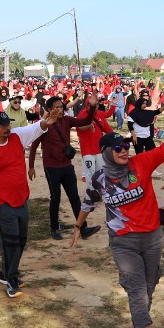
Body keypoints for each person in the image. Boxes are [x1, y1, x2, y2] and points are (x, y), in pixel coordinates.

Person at [70, 97, 164, 328]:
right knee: (136, 291)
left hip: (153, 237)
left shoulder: (141, 163)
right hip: (123, 243)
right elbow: (87, 203)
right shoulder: (99, 179)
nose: (125, 150)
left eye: (126, 145)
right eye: (118, 147)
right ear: (106, 152)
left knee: (150, 286)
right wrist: (76, 227)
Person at [0, 110, 56, 297]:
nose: (7, 128)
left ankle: (5, 272)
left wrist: (47, 123)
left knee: (21, 239)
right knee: (10, 241)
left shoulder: (17, 137)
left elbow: (35, 129)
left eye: (8, 124)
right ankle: (12, 279)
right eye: (3, 126)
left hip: (21, 198)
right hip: (2, 201)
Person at [28, 94, 100, 241]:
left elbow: (85, 121)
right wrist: (31, 167)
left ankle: (83, 228)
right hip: (51, 167)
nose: (60, 110)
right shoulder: (44, 125)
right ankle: (54, 228)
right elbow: (34, 146)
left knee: (74, 197)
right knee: (56, 198)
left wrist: (92, 107)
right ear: (49, 109)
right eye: (57, 107)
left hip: (67, 166)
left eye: (61, 107)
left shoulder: (67, 120)